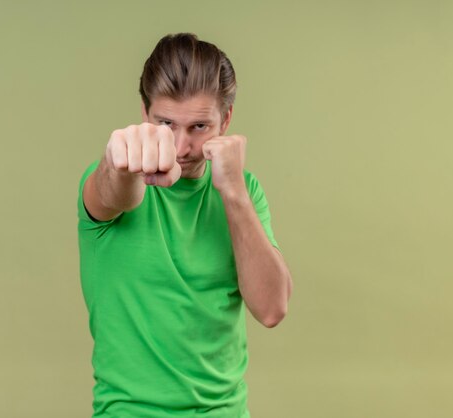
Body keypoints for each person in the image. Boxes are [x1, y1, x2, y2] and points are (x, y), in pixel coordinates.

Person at [77, 32, 293, 418]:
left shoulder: (244, 192)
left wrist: (234, 193)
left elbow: (272, 308)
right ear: (144, 114)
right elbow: (115, 192)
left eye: (199, 127)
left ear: (225, 120)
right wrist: (118, 159)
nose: (180, 147)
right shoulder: (114, 178)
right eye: (165, 123)